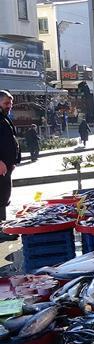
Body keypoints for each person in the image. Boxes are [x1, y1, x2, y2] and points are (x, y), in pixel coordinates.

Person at [0, 90, 21, 241]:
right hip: (1, 166)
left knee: (4, 196)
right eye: (6, 103)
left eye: (11, 104)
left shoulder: (4, 118)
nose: (9, 106)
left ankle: (3, 226)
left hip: (7, 166)